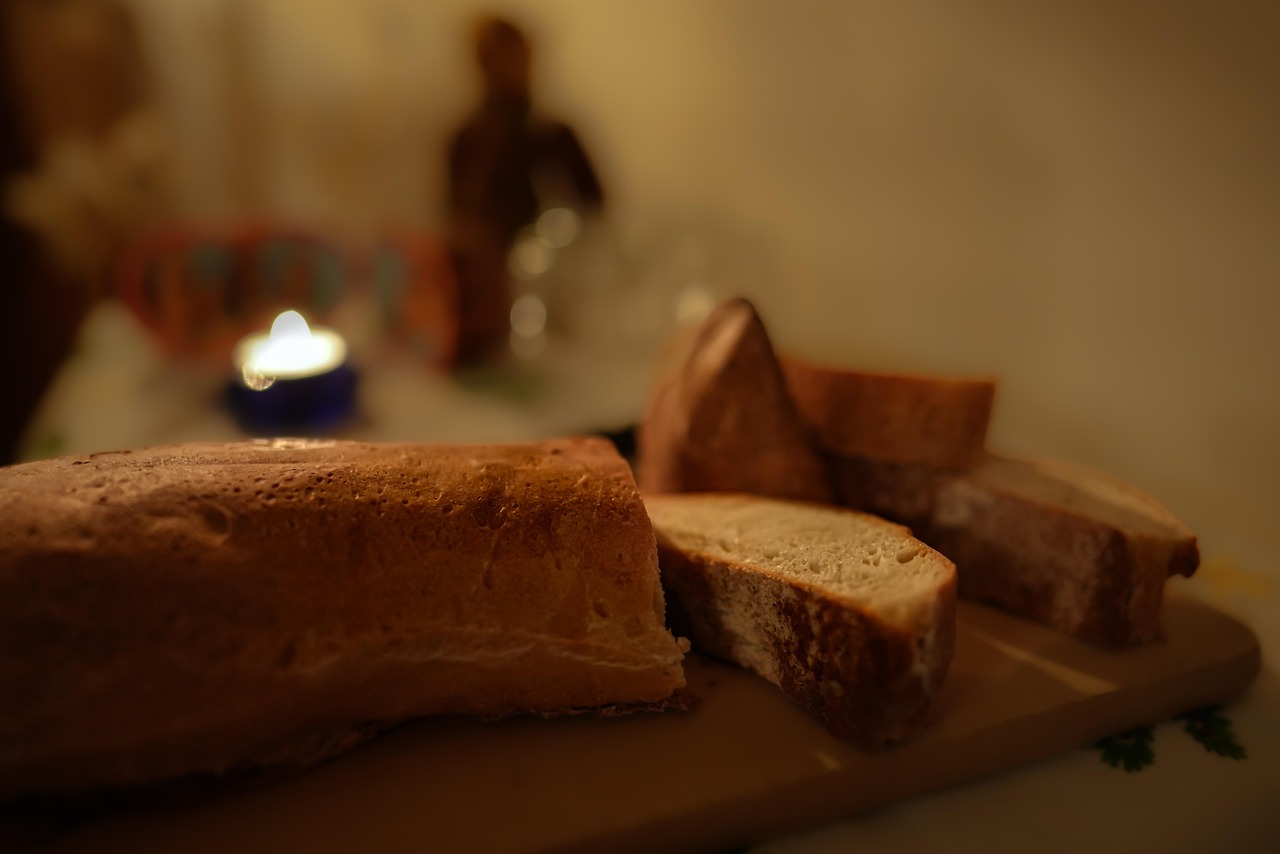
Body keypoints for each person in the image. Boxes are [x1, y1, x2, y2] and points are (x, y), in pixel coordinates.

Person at [445, 15, 603, 362]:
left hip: (551, 303)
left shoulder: (553, 137)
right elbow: (456, 216)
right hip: (484, 303)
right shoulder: (465, 139)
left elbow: (596, 216)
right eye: (492, 59)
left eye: (511, 57)